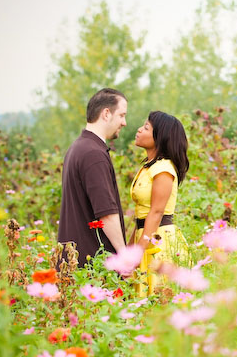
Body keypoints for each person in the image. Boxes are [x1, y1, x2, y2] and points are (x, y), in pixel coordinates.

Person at [57, 88, 128, 268]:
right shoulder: (93, 154)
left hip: (76, 264)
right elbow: (106, 214)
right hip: (92, 269)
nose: (124, 122)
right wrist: (124, 256)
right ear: (106, 114)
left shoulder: (78, 147)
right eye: (121, 115)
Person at [130, 111, 190, 295]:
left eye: (146, 127)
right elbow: (142, 215)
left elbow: (156, 213)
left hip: (158, 241)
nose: (139, 130)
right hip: (146, 235)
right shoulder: (149, 167)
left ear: (160, 137)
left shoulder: (163, 169)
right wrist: (130, 248)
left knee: (158, 301)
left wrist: (138, 252)